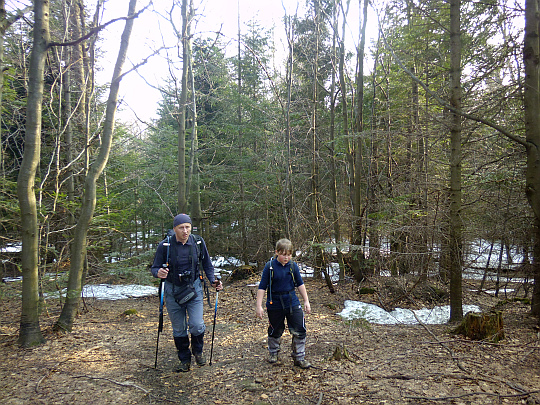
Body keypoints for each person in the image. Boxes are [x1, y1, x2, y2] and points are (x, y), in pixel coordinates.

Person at [151, 213, 223, 372]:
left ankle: (198, 351)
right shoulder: (165, 245)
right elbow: (154, 267)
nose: (185, 231)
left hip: (194, 288)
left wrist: (213, 281)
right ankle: (184, 359)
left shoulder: (198, 242)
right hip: (172, 291)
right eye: (181, 227)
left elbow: (207, 265)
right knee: (179, 328)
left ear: (191, 227)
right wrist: (158, 273)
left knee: (197, 325)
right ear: (174, 229)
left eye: (187, 227)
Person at [255, 238, 312, 369]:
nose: (286, 257)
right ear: (277, 252)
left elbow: (300, 284)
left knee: (300, 329)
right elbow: (262, 287)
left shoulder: (293, 266)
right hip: (274, 303)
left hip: (291, 301)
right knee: (275, 330)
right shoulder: (269, 267)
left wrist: (306, 301)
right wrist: (259, 306)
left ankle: (299, 357)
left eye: (288, 254)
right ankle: (273, 354)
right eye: (283, 254)